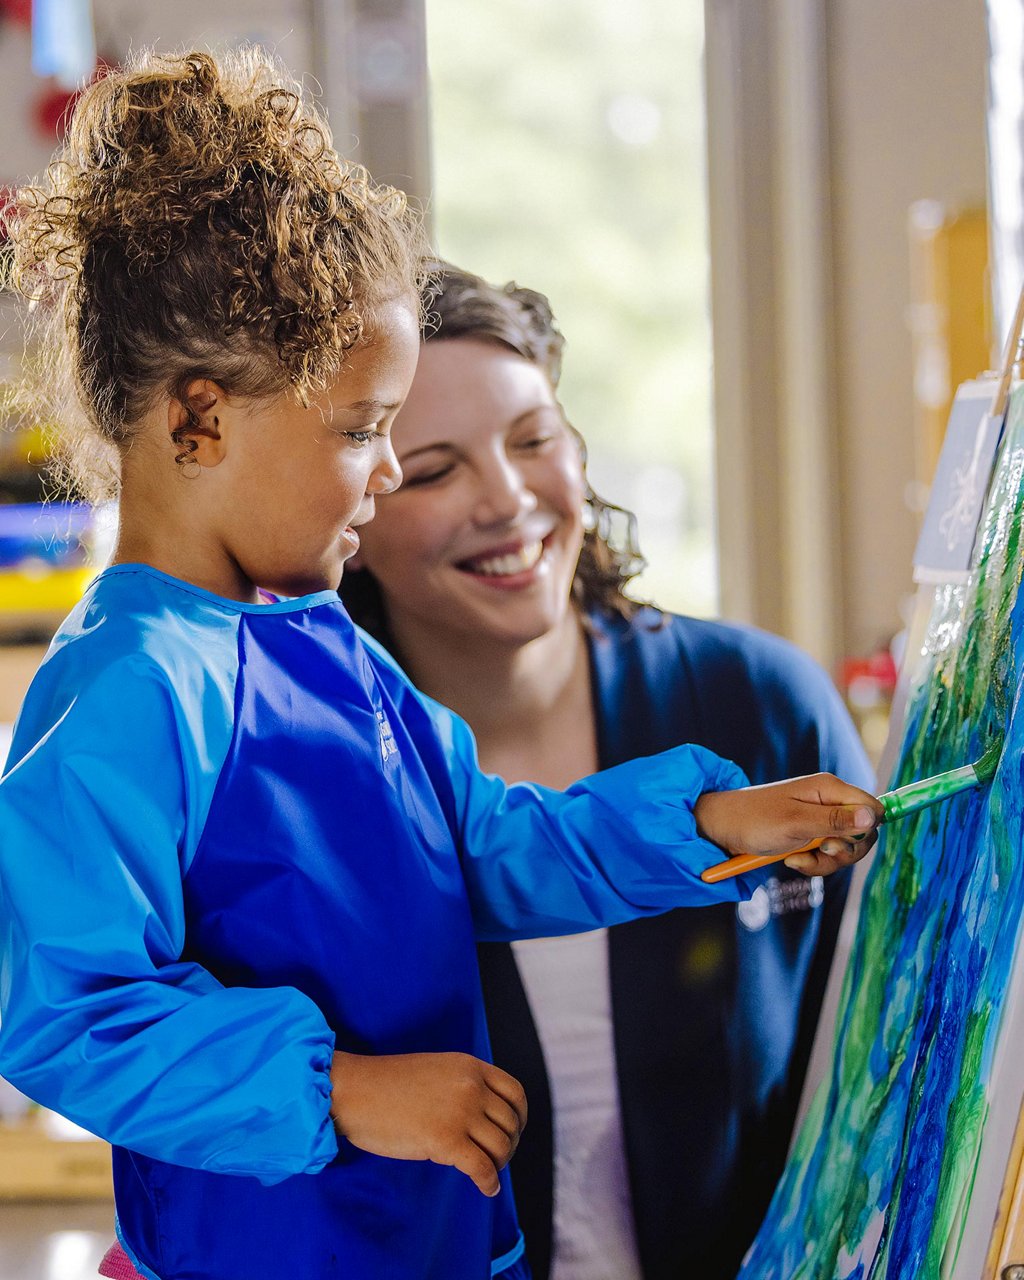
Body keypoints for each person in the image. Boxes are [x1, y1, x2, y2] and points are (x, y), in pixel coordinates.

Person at [0, 52, 879, 1280]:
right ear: (198, 419)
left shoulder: (320, 642)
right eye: (362, 431)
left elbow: (487, 846)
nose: (386, 470)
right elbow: (66, 1013)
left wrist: (710, 821)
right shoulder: (130, 687)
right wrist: (344, 1089)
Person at [339, 264, 877, 1280]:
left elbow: (890, 1051)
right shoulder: (323, 782)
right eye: (436, 468)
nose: (507, 497)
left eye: (533, 438)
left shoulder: (760, 703)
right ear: (355, 516)